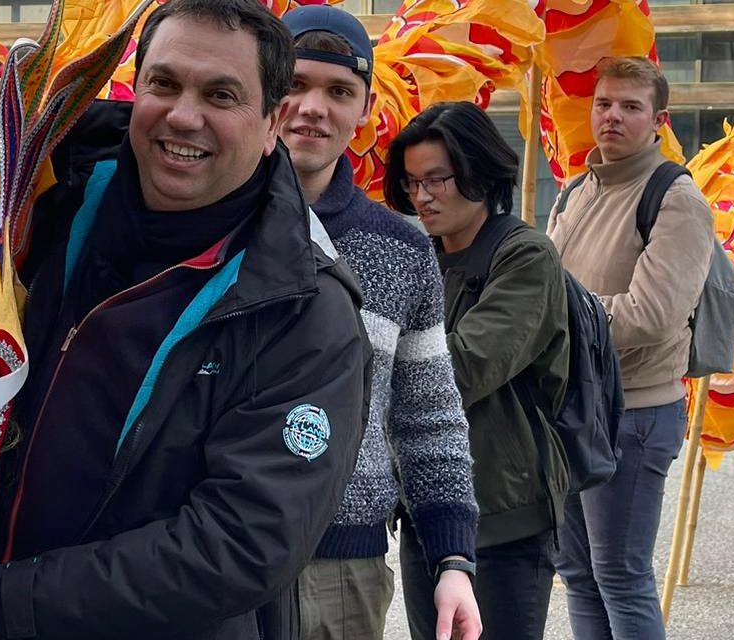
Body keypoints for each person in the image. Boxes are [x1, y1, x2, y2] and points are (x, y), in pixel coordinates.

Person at [0, 1, 370, 638]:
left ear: (271, 126)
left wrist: (6, 605)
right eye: (165, 83)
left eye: (221, 94)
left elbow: (241, 544)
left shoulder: (305, 312)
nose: (184, 115)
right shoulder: (35, 200)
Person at [276, 7, 481, 640]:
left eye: (339, 92)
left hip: (343, 566)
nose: (314, 107)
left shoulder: (402, 248)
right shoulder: (203, 223)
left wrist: (453, 558)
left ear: (364, 110)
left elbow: (428, 415)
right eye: (295, 84)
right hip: (202, 554)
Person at [384, 100, 571, 640]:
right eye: (412, 182)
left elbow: (463, 366)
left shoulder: (525, 256)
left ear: (480, 173)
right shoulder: (421, 257)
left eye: (437, 179)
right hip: (430, 507)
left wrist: (375, 362)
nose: (421, 196)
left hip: (504, 511)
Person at [544, 55, 713, 640]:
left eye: (630, 107)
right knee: (579, 571)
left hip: (634, 410)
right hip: (568, 405)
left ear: (658, 119)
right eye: (603, 103)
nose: (612, 116)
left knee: (620, 573)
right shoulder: (574, 190)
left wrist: (549, 321)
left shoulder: (676, 198)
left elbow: (652, 315)